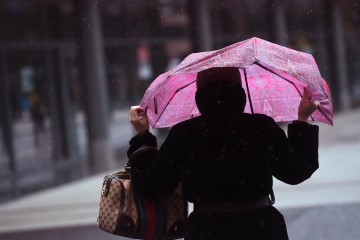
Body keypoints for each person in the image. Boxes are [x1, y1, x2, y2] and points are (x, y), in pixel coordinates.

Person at [128, 67, 320, 240]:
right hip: (261, 228)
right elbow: (298, 171)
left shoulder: (184, 133)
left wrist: (143, 136)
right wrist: (302, 120)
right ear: (240, 92)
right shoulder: (261, 126)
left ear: (199, 96)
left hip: (206, 230)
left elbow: (151, 184)